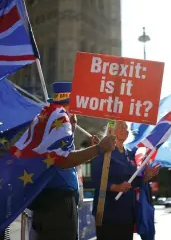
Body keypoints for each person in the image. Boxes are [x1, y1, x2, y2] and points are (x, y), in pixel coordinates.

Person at [28, 82, 116, 240]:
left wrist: (94, 150)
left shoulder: (55, 127)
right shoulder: (56, 125)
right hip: (55, 207)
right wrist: (98, 149)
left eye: (76, 117)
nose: (75, 121)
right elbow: (64, 159)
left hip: (61, 208)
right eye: (73, 115)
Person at [91, 121, 160, 240]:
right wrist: (116, 187)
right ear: (111, 130)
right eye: (121, 126)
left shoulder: (130, 154)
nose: (125, 129)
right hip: (107, 212)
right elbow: (96, 180)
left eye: (126, 127)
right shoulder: (102, 151)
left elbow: (134, 182)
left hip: (127, 213)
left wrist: (147, 176)